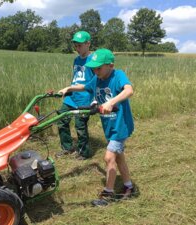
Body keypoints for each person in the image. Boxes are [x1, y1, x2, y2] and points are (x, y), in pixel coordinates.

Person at [58, 48, 136, 206]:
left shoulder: (118, 75)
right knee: (118, 157)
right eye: (93, 68)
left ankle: (108, 194)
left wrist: (111, 102)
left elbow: (129, 90)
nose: (95, 71)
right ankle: (129, 186)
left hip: (121, 126)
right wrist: (69, 88)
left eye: (98, 68)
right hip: (109, 125)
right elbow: (85, 86)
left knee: (108, 158)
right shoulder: (97, 79)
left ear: (111, 65)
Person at [56, 31, 95, 161]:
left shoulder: (94, 61)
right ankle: (67, 147)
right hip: (72, 96)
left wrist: (95, 99)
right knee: (61, 119)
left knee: (80, 125)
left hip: (85, 98)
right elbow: (75, 78)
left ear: (88, 44)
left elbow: (96, 81)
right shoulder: (76, 60)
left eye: (79, 45)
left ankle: (84, 152)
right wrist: (69, 90)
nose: (77, 48)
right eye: (75, 45)